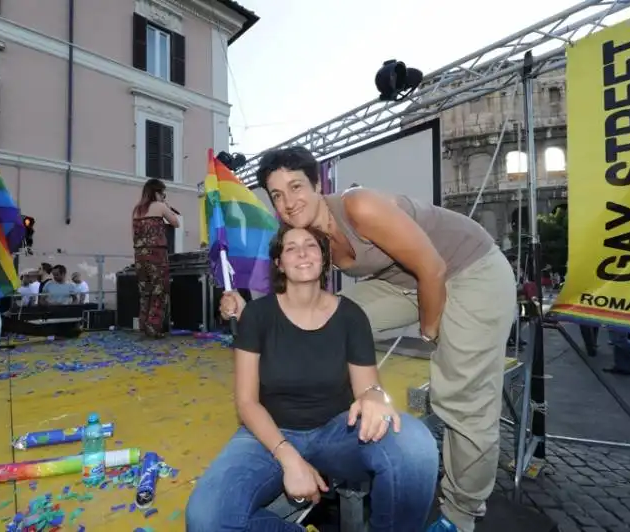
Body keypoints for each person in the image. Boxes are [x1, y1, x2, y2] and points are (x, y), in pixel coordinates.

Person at [220, 147, 517, 532]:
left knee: (462, 396)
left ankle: (461, 514)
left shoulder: (359, 207)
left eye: (295, 187)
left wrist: (431, 329)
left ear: (317, 184)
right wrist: (248, 311)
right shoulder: (307, 233)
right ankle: (330, 423)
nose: (288, 202)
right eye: (277, 195)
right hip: (406, 283)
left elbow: (433, 267)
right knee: (332, 317)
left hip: (469, 270)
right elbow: (301, 301)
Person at [187, 225, 438, 531]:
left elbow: (368, 389)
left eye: (311, 245)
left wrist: (374, 396)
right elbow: (247, 402)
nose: (303, 252)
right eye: (291, 247)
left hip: (339, 431)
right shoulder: (257, 316)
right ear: (278, 262)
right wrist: (289, 458)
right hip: (268, 433)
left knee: (415, 446)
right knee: (205, 519)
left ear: (323, 258)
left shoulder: (351, 316)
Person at [132, 178, 179, 338]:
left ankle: (143, 325)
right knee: (159, 290)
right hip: (156, 254)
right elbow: (176, 222)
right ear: (157, 192)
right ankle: (154, 326)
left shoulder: (137, 209)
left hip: (139, 254)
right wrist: (166, 207)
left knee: (145, 291)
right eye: (162, 193)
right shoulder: (159, 206)